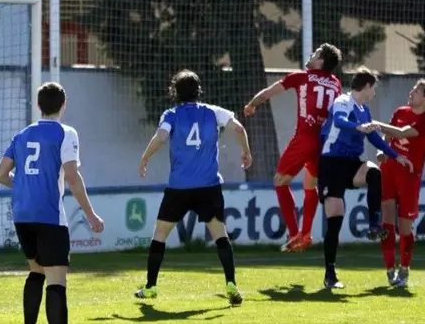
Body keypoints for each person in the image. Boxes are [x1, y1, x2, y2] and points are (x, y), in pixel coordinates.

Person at [135, 70, 252, 306]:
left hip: (179, 187)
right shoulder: (213, 112)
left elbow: (161, 136)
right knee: (220, 235)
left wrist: (145, 157)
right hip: (209, 186)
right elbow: (239, 129)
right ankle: (231, 284)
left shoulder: (171, 114)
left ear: (175, 92)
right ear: (198, 91)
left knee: (160, 235)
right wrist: (246, 152)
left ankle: (150, 287)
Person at [0, 82, 104, 324]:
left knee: (36, 271)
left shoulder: (22, 135)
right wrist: (91, 214)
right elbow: (72, 177)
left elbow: (0, 174)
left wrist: (23, 186)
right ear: (63, 105)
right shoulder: (66, 133)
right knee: (56, 280)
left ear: (38, 105)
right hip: (50, 215)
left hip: (22, 215)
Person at [317, 67, 413, 288]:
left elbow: (374, 138)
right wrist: (358, 126)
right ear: (367, 86)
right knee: (335, 219)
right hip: (331, 163)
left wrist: (396, 156)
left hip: (351, 163)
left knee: (374, 173)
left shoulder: (364, 109)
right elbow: (340, 121)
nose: (374, 92)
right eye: (374, 88)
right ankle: (330, 274)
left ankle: (373, 225)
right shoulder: (343, 101)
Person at [244, 43, 342, 252]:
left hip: (305, 138)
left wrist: (252, 104)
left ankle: (294, 232)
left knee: (280, 181)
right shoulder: (336, 83)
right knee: (310, 184)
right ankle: (305, 233)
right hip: (324, 142)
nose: (311, 55)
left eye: (315, 54)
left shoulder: (301, 77)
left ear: (320, 61)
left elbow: (268, 93)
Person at [373, 80, 425, 287]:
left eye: (417, 91)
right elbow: (388, 137)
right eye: (413, 89)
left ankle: (404, 268)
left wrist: (374, 124)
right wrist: (381, 151)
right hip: (388, 171)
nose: (411, 92)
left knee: (404, 227)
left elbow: (401, 133)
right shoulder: (400, 111)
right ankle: (389, 269)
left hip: (409, 177)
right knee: (387, 221)